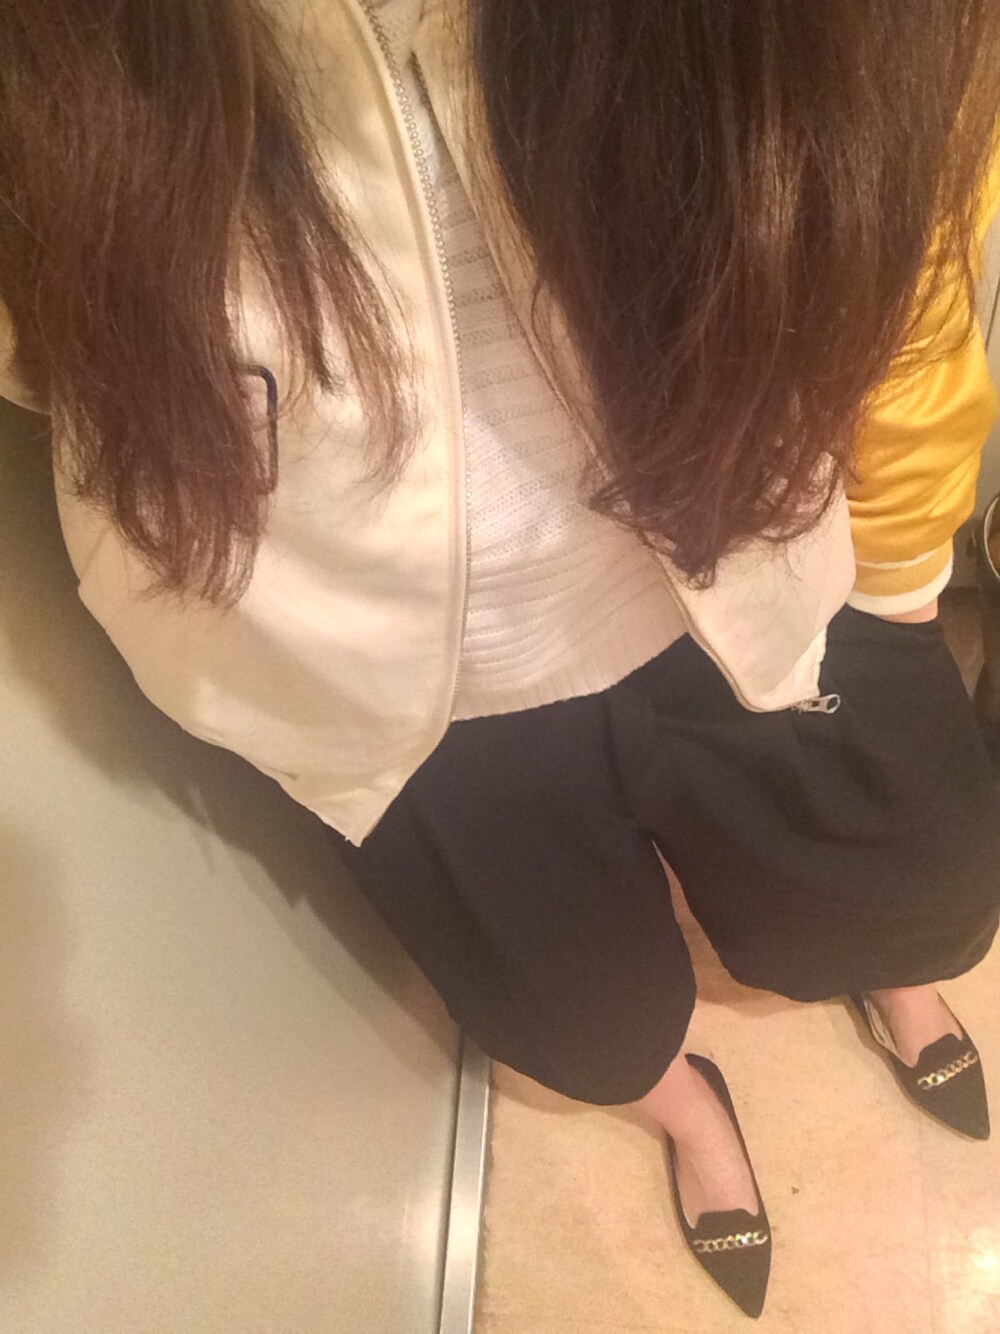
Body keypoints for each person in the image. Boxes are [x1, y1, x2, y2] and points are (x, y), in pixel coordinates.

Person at [2, 0, 999, 1318]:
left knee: (906, 877)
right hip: (409, 689)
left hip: (745, 549)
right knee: (581, 1016)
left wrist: (901, 568)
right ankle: (683, 1104)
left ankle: (880, 961)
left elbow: (901, 234)